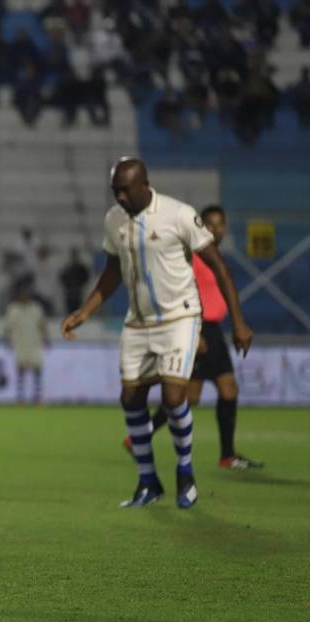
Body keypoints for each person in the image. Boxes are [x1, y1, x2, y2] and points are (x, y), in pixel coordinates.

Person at [62, 158, 252, 509]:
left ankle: (185, 471)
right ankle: (148, 482)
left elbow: (219, 266)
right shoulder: (113, 220)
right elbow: (112, 272)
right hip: (138, 322)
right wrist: (85, 312)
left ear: (144, 184)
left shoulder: (179, 215)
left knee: (174, 396)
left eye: (125, 189)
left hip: (181, 317)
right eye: (114, 190)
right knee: (130, 399)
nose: (119, 196)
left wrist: (238, 322)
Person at [128, 206, 262, 470]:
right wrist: (194, 332)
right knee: (189, 397)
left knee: (226, 390)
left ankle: (227, 455)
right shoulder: (192, 257)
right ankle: (140, 435)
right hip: (199, 329)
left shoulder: (213, 256)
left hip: (214, 330)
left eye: (220, 224)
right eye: (209, 223)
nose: (215, 228)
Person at [5, 282, 47, 404]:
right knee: (20, 370)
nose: (25, 296)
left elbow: (42, 324)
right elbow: (8, 327)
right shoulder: (13, 309)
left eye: (27, 294)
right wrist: (8, 340)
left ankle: (37, 396)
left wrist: (46, 338)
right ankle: (20, 396)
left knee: (37, 368)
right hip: (20, 344)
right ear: (18, 296)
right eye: (22, 294)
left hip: (35, 343)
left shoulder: (36, 308)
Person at [58, 247, 90, 315]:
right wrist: (67, 286)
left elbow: (86, 277)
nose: (74, 257)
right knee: (70, 309)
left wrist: (80, 285)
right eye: (73, 255)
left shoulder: (81, 268)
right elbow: (62, 277)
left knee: (77, 309)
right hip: (69, 291)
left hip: (78, 291)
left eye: (75, 255)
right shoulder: (67, 267)